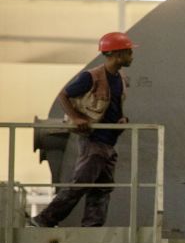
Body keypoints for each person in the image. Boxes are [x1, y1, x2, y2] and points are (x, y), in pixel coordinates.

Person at [30, 32, 135, 228]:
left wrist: (122, 119)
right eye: (129, 52)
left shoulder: (119, 77)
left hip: (109, 142)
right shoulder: (91, 77)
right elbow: (64, 95)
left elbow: (113, 105)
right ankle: (44, 219)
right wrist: (76, 117)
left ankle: (92, 227)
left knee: (102, 189)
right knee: (79, 184)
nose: (132, 56)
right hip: (94, 140)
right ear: (117, 54)